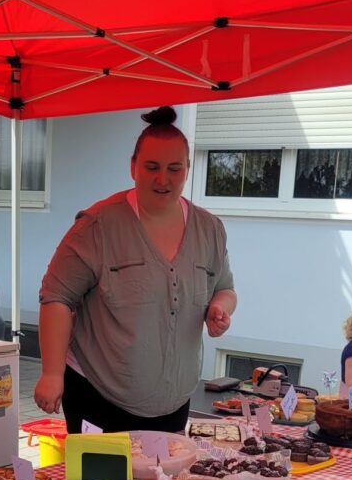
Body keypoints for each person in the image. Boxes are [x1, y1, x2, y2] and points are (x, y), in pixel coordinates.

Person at [35, 106, 237, 433]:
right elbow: (56, 297)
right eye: (152, 167)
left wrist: (220, 308)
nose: (163, 179)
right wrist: (51, 373)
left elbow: (225, 288)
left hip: (173, 405)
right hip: (98, 398)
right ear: (133, 167)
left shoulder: (209, 229)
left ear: (187, 169)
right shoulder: (97, 225)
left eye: (174, 168)